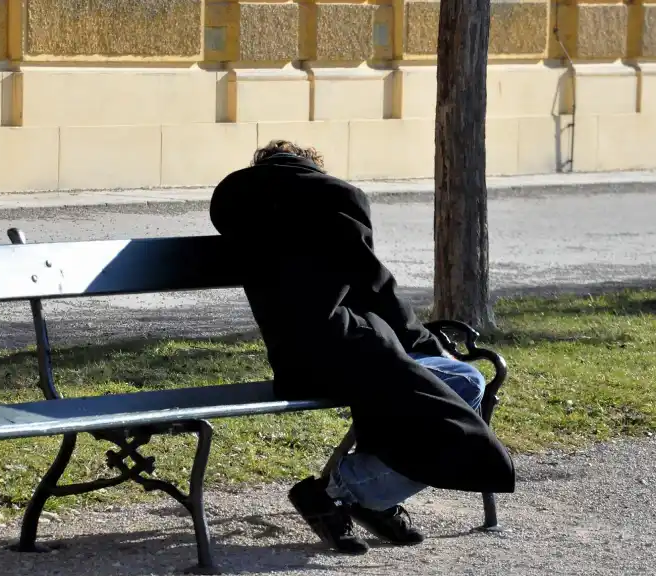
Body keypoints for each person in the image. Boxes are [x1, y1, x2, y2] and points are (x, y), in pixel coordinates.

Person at [209, 140, 515, 554]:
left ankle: (371, 496)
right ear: (311, 167)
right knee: (466, 380)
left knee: (409, 387)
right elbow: (375, 288)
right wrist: (427, 344)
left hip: (294, 364)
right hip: (343, 350)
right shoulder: (334, 198)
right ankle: (351, 490)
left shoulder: (240, 208)